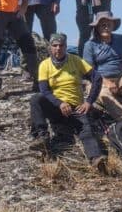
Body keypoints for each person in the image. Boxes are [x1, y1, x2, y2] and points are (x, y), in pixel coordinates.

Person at [29, 33, 107, 171]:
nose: (58, 48)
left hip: (77, 108)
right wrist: (60, 103)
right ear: (50, 48)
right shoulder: (44, 65)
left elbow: (97, 78)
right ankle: (42, 137)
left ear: (65, 46)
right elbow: (45, 90)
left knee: (86, 131)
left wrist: (89, 102)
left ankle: (96, 159)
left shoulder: (76, 60)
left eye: (61, 45)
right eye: (54, 46)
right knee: (36, 99)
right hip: (56, 108)